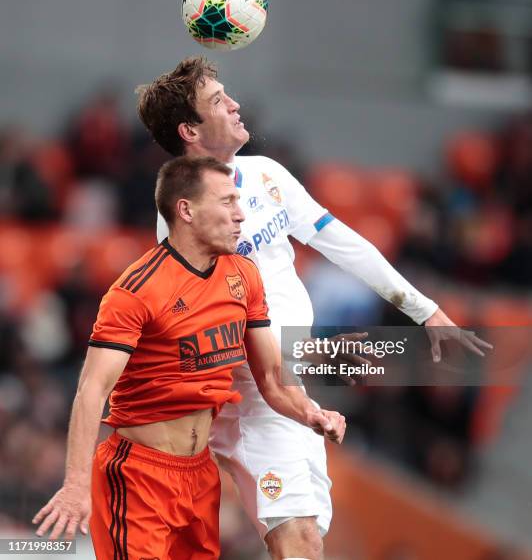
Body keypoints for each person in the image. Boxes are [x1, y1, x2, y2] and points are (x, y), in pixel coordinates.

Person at [136, 57, 490, 560]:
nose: (235, 104)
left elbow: (341, 242)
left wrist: (424, 310)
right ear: (189, 130)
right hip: (254, 398)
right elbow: (212, 330)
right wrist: (312, 358)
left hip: (290, 385)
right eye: (217, 100)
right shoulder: (183, 218)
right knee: (299, 540)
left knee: (308, 541)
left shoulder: (264, 175)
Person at [32, 156, 346, 559]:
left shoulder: (243, 276)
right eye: (228, 202)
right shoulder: (136, 290)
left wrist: (311, 414)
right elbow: (92, 389)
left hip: (199, 474)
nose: (240, 215)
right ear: (186, 210)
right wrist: (76, 484)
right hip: (139, 474)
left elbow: (269, 376)